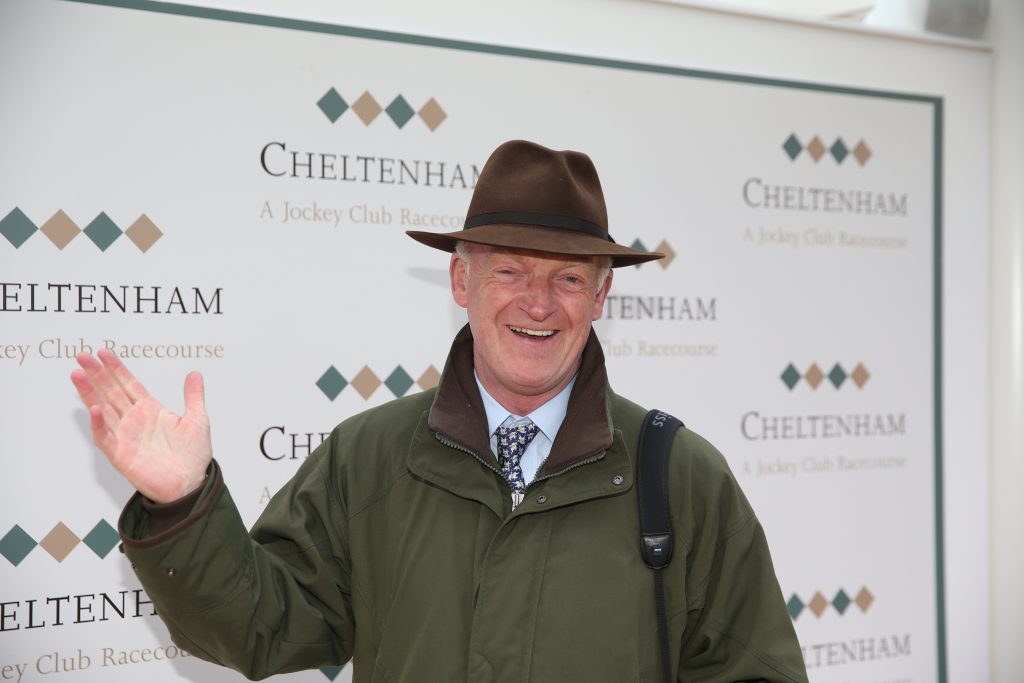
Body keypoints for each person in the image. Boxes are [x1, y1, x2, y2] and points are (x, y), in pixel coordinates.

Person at [71, 140, 808, 682]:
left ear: (602, 295)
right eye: (510, 270)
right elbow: (262, 626)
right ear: (461, 279)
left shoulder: (680, 474)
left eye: (568, 278)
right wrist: (184, 503)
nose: (538, 302)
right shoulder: (369, 457)